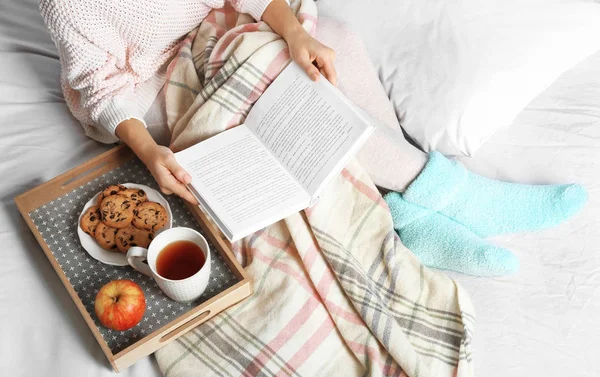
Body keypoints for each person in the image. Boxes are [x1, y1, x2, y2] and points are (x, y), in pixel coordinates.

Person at [40, 0, 587, 276]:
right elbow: (99, 85)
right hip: (146, 91)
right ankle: (455, 195)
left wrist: (298, 32)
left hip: (210, 28)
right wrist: (150, 151)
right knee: (276, 75)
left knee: (332, 41)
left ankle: (406, 211)